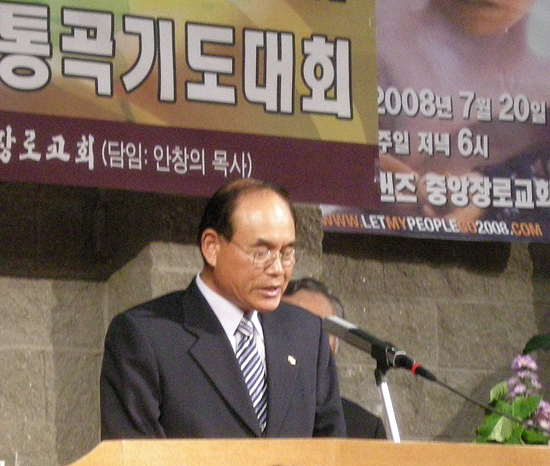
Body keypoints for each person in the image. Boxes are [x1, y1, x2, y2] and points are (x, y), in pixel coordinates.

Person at [100, 178, 346, 439]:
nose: (277, 269)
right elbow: (133, 453)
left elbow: (332, 449)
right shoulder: (146, 336)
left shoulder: (307, 334)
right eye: (262, 253)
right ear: (211, 247)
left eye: (286, 253)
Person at [283, 278, 387, 440]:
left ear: (336, 345)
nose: (307, 339)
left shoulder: (365, 428)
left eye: (319, 330)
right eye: (293, 326)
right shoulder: (251, 410)